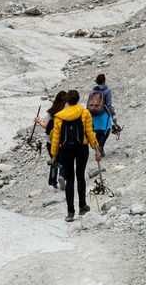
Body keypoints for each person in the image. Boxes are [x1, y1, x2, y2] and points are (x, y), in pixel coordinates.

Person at [50, 89, 100, 221]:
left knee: (70, 179)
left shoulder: (59, 116)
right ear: (78, 100)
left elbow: (55, 138)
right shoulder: (84, 112)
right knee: (80, 176)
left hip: (65, 149)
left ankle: (70, 212)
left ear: (67, 101)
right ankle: (82, 206)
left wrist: (54, 154)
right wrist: (96, 149)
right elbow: (90, 133)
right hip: (81, 148)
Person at [87, 75, 116, 151]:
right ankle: (100, 146)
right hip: (103, 114)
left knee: (98, 131)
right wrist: (113, 114)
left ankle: (97, 146)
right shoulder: (107, 91)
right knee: (106, 131)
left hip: (93, 114)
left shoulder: (92, 91)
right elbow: (108, 105)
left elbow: (88, 104)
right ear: (104, 81)